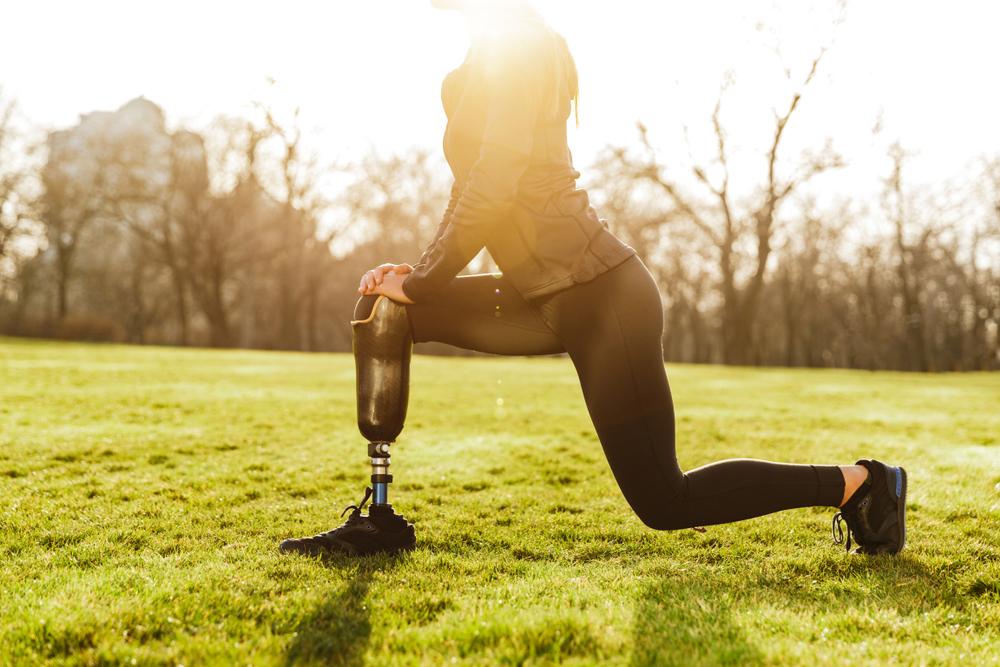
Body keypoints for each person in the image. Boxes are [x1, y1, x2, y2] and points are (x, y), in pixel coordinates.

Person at [279, 0, 906, 557]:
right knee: (388, 315)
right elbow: (471, 191)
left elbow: (495, 186)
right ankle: (381, 516)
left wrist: (424, 278)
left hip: (603, 298)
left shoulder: (525, 49)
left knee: (665, 501)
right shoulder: (470, 70)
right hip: (538, 294)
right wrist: (415, 278)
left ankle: (859, 483)